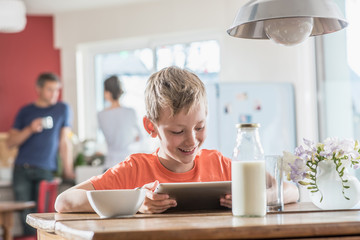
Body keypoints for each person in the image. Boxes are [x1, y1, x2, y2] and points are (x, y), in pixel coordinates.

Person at [55, 66, 299, 214]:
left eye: (200, 127)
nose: (192, 140)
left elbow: (289, 191)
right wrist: (134, 202)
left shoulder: (221, 164)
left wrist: (255, 198)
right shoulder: (133, 169)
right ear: (151, 128)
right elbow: (64, 201)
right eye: (177, 131)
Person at [7, 72, 74, 236]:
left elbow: (64, 141)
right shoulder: (25, 111)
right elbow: (10, 142)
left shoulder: (62, 108)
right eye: (50, 90)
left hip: (46, 170)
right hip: (21, 169)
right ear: (38, 89)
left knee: (45, 216)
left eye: (57, 90)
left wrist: (68, 169)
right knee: (26, 216)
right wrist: (30, 128)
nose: (54, 94)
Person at [98, 76, 142, 170]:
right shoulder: (130, 112)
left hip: (109, 166)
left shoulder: (101, 115)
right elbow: (140, 137)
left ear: (107, 93)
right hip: (127, 164)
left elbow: (110, 137)